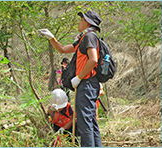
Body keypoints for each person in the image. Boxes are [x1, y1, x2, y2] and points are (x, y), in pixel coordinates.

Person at [39, 10, 102, 147]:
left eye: (81, 20)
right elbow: (62, 49)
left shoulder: (90, 37)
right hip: (86, 84)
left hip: (87, 84)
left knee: (85, 123)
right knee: (90, 122)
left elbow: (93, 59)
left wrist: (79, 77)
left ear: (87, 22)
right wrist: (51, 38)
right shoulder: (82, 40)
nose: (79, 22)